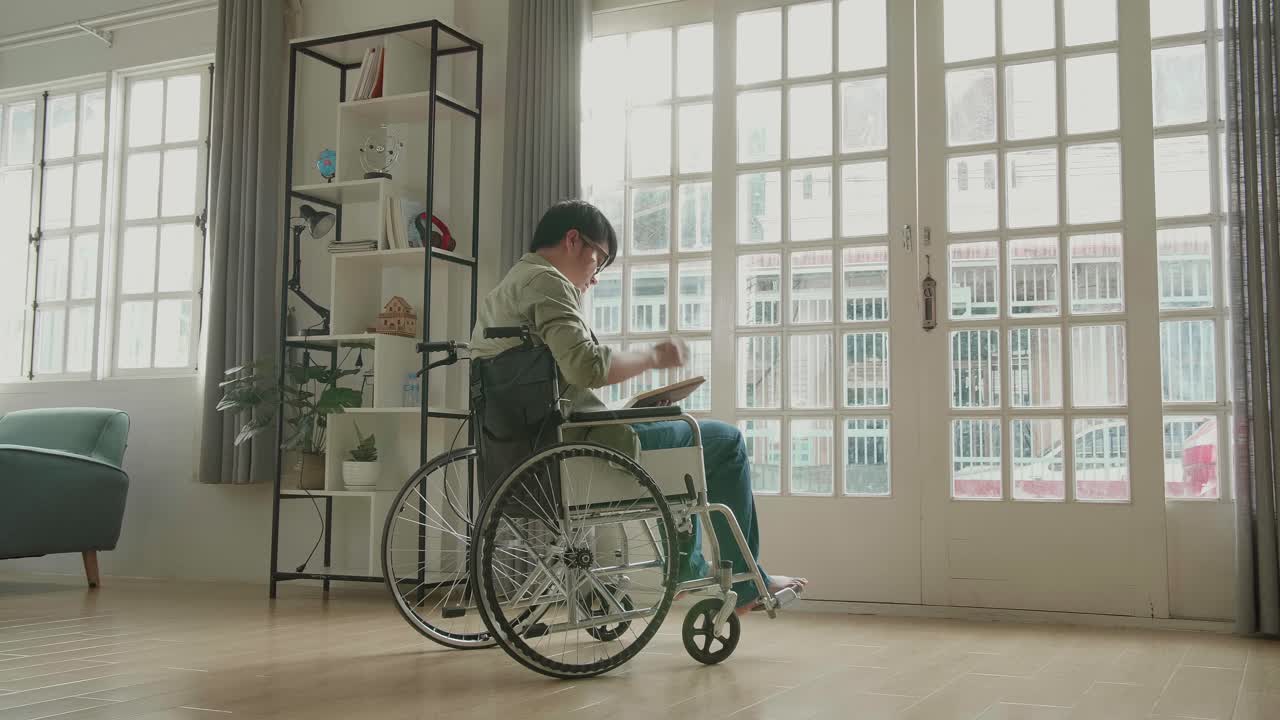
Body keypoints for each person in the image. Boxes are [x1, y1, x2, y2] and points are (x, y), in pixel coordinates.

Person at [470, 199, 807, 614]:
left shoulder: (503, 291)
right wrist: (653, 357)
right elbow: (587, 367)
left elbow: (558, 384)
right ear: (574, 240)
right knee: (724, 439)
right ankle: (742, 581)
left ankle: (689, 568)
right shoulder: (547, 282)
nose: (595, 277)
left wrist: (638, 404)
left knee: (671, 427)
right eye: (600, 259)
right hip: (575, 446)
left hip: (528, 447)